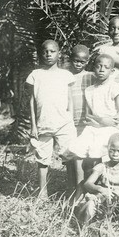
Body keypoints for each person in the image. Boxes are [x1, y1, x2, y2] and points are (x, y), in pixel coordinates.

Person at [26, 39, 76, 199]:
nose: (48, 54)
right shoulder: (35, 75)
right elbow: (32, 101)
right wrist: (33, 126)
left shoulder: (66, 75)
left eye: (52, 51)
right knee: (42, 159)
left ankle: (72, 190)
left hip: (64, 123)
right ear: (41, 54)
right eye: (45, 51)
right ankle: (42, 192)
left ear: (59, 54)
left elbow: (70, 100)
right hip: (43, 123)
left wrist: (71, 119)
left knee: (69, 157)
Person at [64, 53, 119, 178]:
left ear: (112, 71)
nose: (102, 69)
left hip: (111, 128)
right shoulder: (90, 90)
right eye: (99, 66)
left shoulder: (115, 87)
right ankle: (80, 187)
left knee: (97, 148)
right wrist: (100, 121)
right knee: (76, 147)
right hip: (94, 127)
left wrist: (104, 121)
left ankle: (96, 184)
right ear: (94, 68)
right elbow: (88, 115)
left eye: (106, 67)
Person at [67, 44, 95, 188]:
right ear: (70, 58)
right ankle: (72, 186)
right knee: (70, 154)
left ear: (87, 61)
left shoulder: (91, 76)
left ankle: (86, 185)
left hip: (86, 122)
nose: (78, 64)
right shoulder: (65, 75)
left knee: (87, 155)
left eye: (82, 61)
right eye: (75, 60)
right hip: (70, 122)